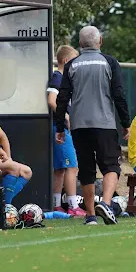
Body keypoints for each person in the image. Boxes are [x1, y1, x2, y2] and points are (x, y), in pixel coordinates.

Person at [55, 26, 131, 225]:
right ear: (100, 41)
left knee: (86, 170)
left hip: (79, 125)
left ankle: (90, 216)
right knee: (111, 166)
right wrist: (126, 123)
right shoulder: (110, 62)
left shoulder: (72, 65)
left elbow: (62, 98)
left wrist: (60, 127)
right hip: (104, 123)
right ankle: (105, 204)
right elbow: (119, 95)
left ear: (80, 44)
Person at [46, 45, 85, 217]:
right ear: (67, 61)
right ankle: (72, 205)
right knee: (72, 166)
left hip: (60, 127)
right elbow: (52, 100)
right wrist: (65, 118)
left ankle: (56, 205)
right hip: (60, 128)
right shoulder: (58, 77)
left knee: (61, 168)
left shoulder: (64, 79)